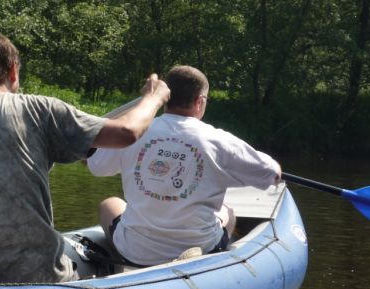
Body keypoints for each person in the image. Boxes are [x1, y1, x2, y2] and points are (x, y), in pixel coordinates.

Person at [0, 32, 169, 283]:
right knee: (105, 265)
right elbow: (127, 132)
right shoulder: (37, 109)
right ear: (13, 71)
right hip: (32, 274)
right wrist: (154, 97)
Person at [87, 65, 281, 266]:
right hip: (197, 248)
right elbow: (272, 174)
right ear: (200, 101)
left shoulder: (134, 132)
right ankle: (213, 263)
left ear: (165, 98)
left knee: (109, 204)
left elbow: (96, 167)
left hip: (135, 252)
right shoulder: (219, 140)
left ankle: (130, 256)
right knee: (227, 213)